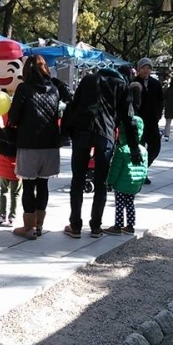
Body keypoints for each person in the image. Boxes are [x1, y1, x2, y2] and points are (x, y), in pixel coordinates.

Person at [62, 67, 140, 239]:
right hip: (105, 134)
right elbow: (129, 118)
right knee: (100, 182)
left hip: (82, 132)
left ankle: (75, 225)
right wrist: (134, 147)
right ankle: (96, 227)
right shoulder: (121, 85)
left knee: (78, 180)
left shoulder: (88, 79)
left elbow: (74, 105)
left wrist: (68, 132)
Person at [8, 55, 61, 240]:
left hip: (29, 144)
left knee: (28, 186)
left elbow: (13, 117)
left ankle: (28, 228)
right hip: (51, 144)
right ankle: (39, 225)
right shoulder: (54, 89)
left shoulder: (24, 88)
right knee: (43, 184)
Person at [103, 116, 148, 236]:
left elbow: (115, 169)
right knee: (130, 204)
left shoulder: (122, 149)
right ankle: (130, 226)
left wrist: (110, 182)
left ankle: (118, 226)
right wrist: (141, 183)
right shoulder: (143, 150)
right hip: (134, 184)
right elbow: (144, 169)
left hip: (121, 184)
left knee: (119, 205)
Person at [133, 58, 164, 184]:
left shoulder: (155, 84)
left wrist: (158, 114)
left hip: (152, 122)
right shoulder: (133, 83)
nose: (146, 70)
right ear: (138, 69)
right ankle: (138, 173)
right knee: (139, 148)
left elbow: (161, 100)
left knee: (155, 148)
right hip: (138, 122)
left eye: (148, 67)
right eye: (143, 67)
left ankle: (143, 168)